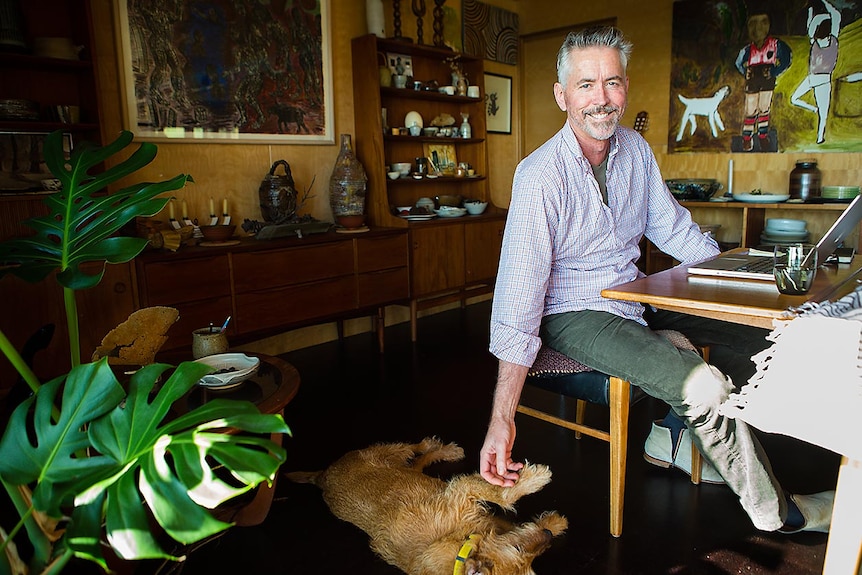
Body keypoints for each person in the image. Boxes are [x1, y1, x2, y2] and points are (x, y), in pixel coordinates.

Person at [479, 25, 834, 534]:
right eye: (586, 85)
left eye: (613, 83)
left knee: (770, 337)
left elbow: (676, 232)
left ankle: (678, 436)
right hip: (573, 313)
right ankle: (778, 514)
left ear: (625, 88)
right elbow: (518, 299)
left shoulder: (636, 152)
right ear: (562, 95)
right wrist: (501, 418)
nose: (602, 99)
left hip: (633, 295)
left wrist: (732, 284)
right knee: (705, 388)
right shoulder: (539, 176)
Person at [734, 11, 792, 152]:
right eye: (752, 24)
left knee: (764, 108)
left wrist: (774, 72)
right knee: (751, 110)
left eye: (763, 23)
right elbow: (738, 63)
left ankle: (762, 136)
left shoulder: (776, 45)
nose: (757, 28)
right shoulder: (747, 50)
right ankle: (747, 138)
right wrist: (745, 72)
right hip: (753, 81)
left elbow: (787, 59)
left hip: (767, 80)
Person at [790, 0, 841, 144]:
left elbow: (810, 26)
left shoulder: (815, 42)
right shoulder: (834, 42)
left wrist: (812, 12)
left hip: (814, 78)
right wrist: (825, 4)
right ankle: (819, 135)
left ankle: (814, 112)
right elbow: (836, 15)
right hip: (822, 80)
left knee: (794, 99)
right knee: (823, 114)